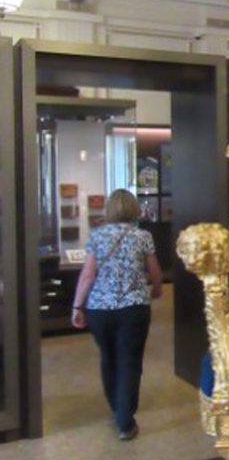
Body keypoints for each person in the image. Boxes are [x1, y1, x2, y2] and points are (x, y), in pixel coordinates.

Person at [71, 189, 163, 440]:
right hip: (134, 309)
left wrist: (77, 306)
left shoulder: (97, 236)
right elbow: (154, 270)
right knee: (130, 361)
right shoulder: (143, 236)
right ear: (134, 209)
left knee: (108, 357)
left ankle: (116, 407)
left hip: (100, 310)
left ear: (109, 209)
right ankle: (125, 420)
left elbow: (88, 275)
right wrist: (156, 288)